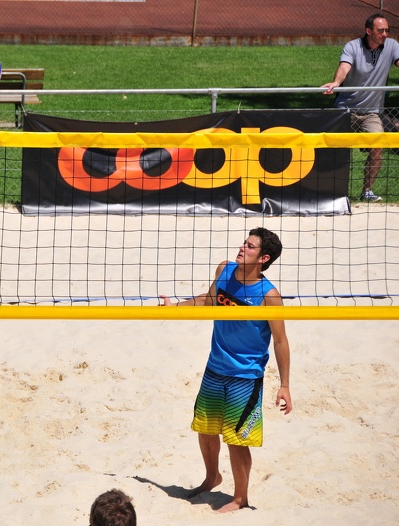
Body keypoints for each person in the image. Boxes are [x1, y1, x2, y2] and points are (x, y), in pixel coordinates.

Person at [159, 227, 292, 513]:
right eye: (244, 242)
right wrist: (176, 307)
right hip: (215, 366)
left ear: (264, 257)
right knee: (205, 430)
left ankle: (240, 498)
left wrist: (285, 385)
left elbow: (280, 341)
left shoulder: (269, 295)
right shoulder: (225, 270)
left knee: (236, 440)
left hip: (245, 375)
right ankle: (212, 477)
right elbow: (208, 300)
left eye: (251, 246)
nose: (243, 247)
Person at [322, 13, 399, 202]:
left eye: (387, 30)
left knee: (377, 146)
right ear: (368, 31)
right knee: (331, 148)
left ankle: (366, 191)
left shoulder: (392, 46)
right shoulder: (352, 47)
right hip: (345, 110)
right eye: (380, 31)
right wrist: (336, 82)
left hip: (372, 112)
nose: (385, 34)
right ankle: (327, 190)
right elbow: (344, 67)